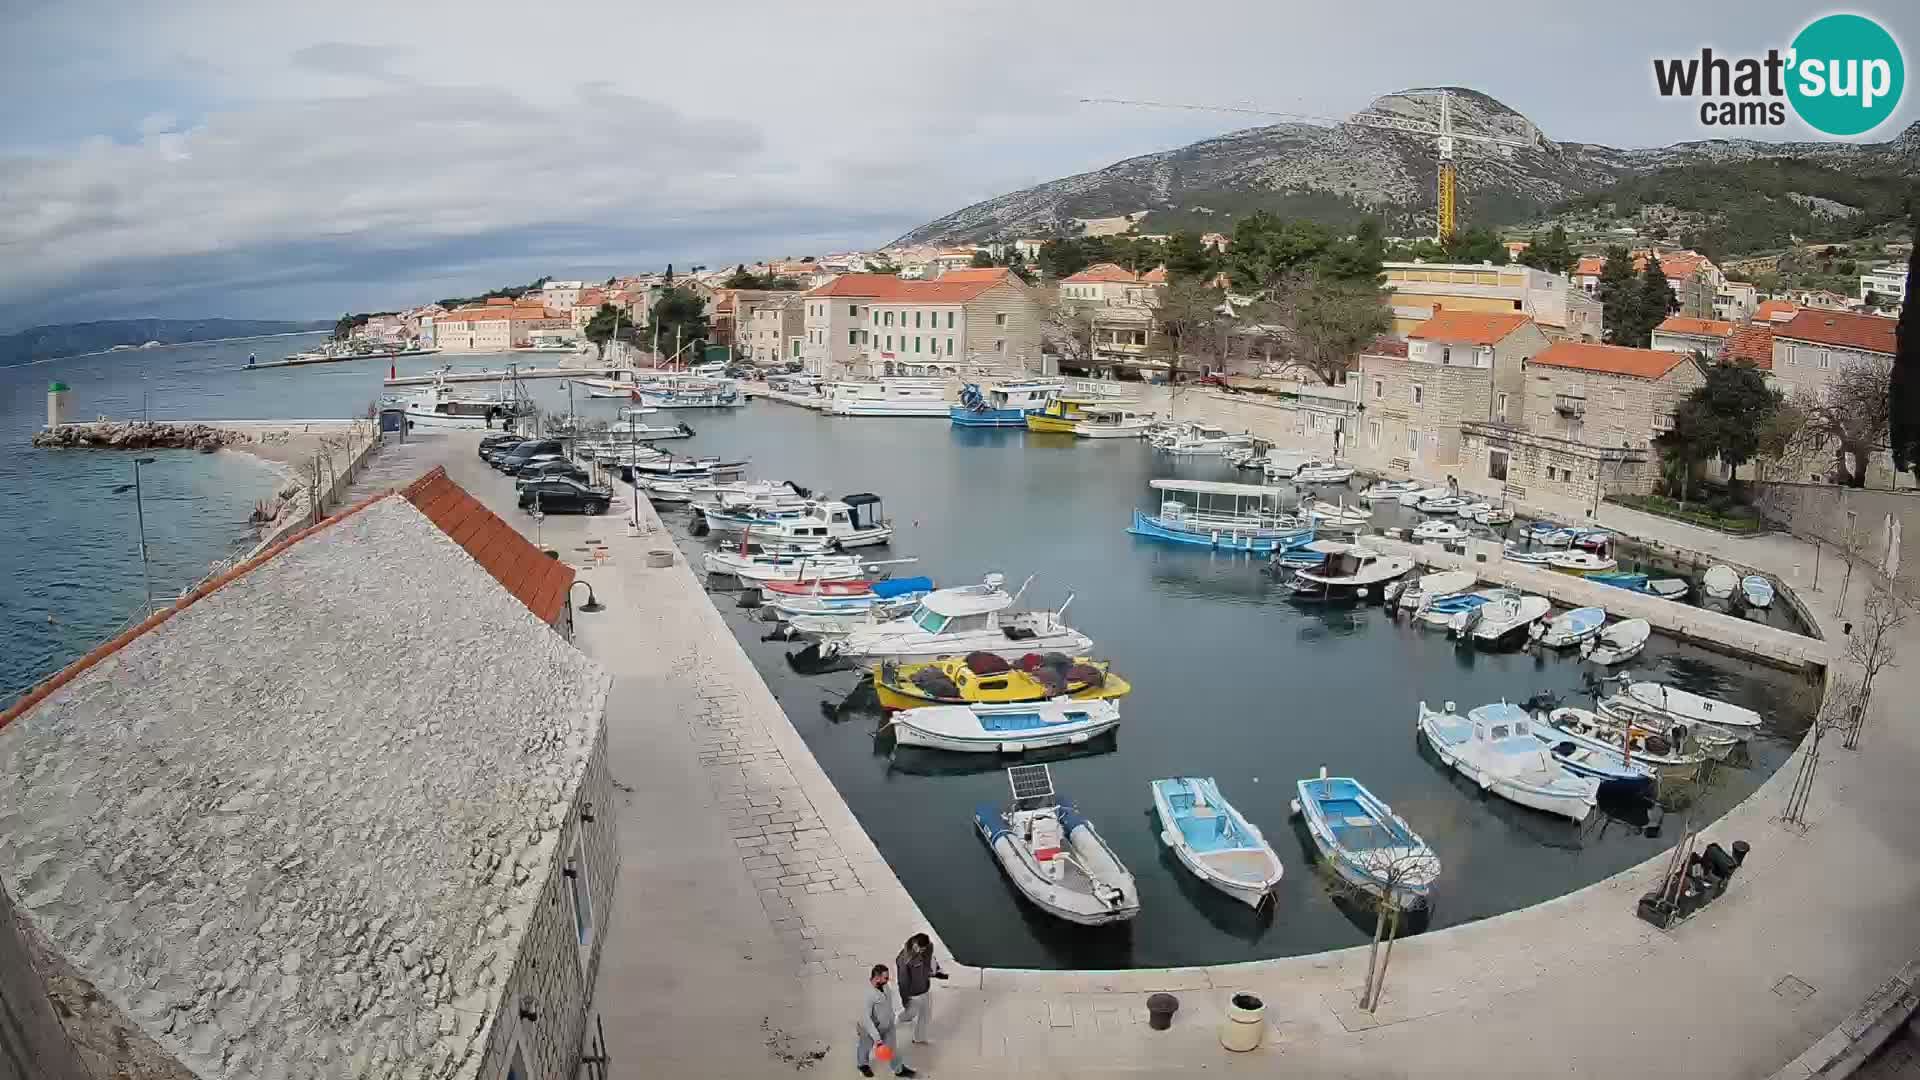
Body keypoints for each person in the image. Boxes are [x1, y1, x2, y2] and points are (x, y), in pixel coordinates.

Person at [855, 964, 914, 1077]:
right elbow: (866, 1019)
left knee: (892, 1048)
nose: (888, 979)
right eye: (885, 977)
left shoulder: (885, 986)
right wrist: (877, 1039)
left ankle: (899, 1069)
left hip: (887, 1025)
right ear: (877, 978)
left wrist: (891, 1019)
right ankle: (862, 1065)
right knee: (865, 1046)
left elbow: (887, 1004)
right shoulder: (868, 994)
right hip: (869, 1028)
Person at [895, 933, 948, 1045]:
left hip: (925, 988)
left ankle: (919, 1038)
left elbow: (930, 961)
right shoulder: (904, 959)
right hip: (912, 994)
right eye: (921, 948)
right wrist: (905, 999)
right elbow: (902, 981)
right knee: (909, 1014)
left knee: (926, 1014)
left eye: (924, 948)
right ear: (914, 944)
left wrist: (936, 970)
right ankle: (885, 1026)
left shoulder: (928, 947)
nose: (922, 951)